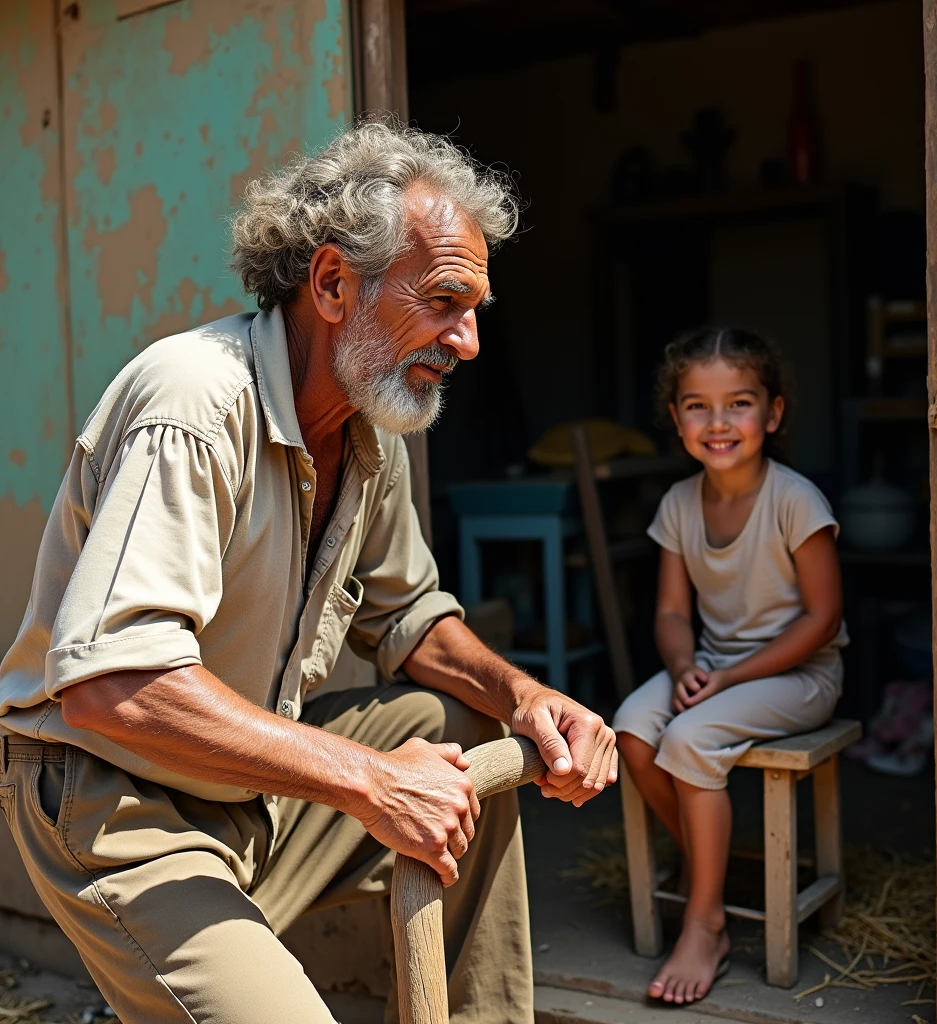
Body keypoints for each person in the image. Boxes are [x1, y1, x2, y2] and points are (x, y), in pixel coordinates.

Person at [0, 121, 617, 1024]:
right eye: (445, 300)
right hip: (117, 802)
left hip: (252, 796)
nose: (470, 340)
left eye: (475, 308)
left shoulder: (370, 430)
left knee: (457, 725)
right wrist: (371, 782)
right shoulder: (195, 402)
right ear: (332, 283)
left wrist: (524, 696)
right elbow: (111, 684)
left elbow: (410, 619)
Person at [613, 328, 847, 1005]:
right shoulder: (679, 505)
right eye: (696, 406)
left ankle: (706, 920)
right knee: (631, 729)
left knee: (688, 740)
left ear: (772, 414)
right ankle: (702, 858)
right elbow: (670, 614)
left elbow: (822, 620)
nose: (718, 423)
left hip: (800, 675)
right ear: (676, 417)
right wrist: (685, 662)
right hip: (714, 667)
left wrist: (727, 679)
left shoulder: (796, 500)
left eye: (738, 403)